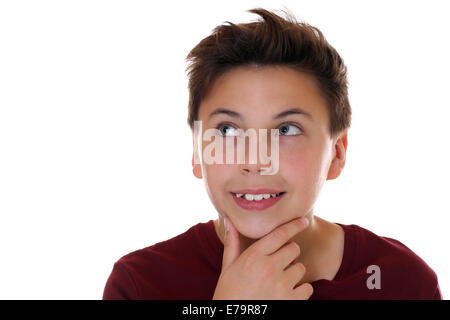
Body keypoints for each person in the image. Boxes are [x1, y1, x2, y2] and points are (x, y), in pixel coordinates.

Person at [102, 7, 442, 300]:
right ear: (197, 151)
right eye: (227, 130)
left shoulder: (402, 281)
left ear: (337, 154)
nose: (255, 160)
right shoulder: (140, 284)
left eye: (286, 130)